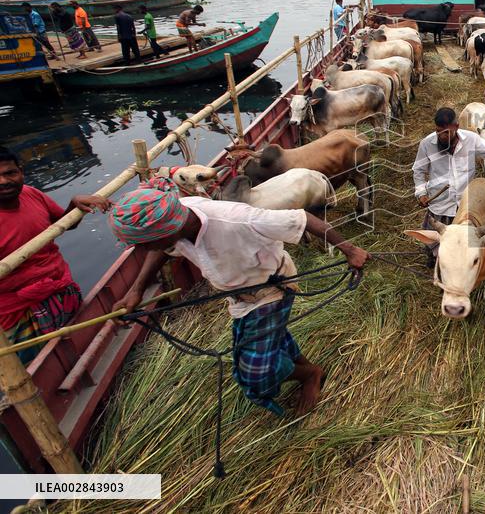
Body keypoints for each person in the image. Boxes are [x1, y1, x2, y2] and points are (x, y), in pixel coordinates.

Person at [109, 177, 368, 416]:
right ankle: (307, 368)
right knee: (270, 337)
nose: (143, 250)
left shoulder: (238, 220)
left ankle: (309, 374)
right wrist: (136, 291)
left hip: (271, 291)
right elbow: (160, 248)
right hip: (240, 297)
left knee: (255, 374)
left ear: (167, 231)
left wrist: (351, 250)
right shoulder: (175, 219)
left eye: (144, 244)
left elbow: (303, 219)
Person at [0, 146, 110, 364]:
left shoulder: (31, 194)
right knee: (35, 369)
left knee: (80, 349)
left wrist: (74, 204)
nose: (3, 182)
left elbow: (63, 225)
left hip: (60, 291)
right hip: (17, 313)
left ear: (21, 171)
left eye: (9, 173)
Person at [411, 107, 485, 267]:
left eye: (446, 132)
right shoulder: (427, 144)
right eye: (439, 131)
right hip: (440, 203)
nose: (442, 136)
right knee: (437, 240)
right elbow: (418, 170)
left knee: (465, 240)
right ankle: (435, 258)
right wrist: (421, 193)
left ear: (456, 127)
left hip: (465, 203)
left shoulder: (471, 139)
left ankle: (462, 263)